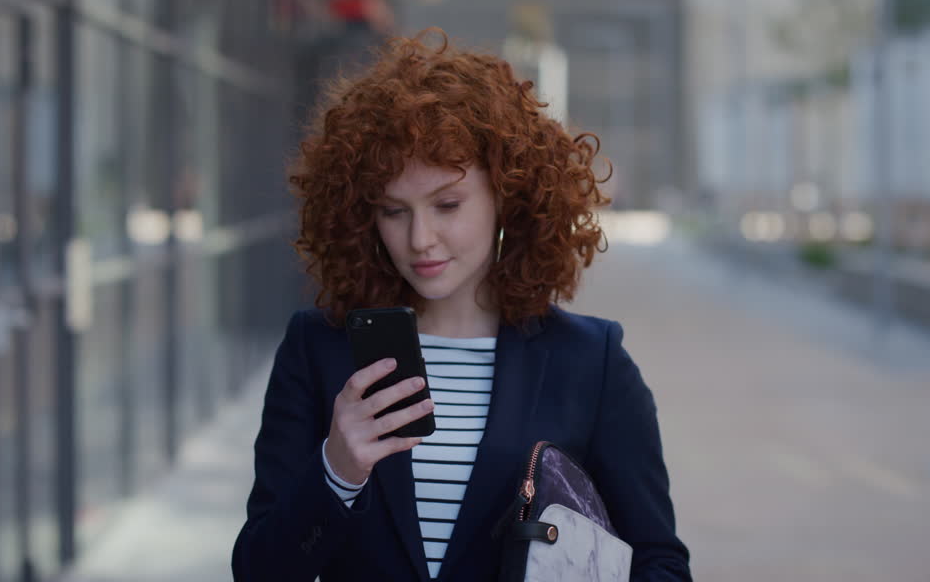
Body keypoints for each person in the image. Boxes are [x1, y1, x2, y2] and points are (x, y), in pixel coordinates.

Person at [231, 31, 691, 581]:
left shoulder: (592, 363)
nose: (420, 238)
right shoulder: (319, 349)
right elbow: (258, 570)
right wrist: (337, 470)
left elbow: (660, 563)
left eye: (447, 204)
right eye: (393, 211)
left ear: (507, 194)